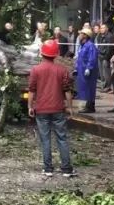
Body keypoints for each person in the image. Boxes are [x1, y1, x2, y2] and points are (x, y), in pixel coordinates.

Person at [28, 40, 76, 178]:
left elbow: (32, 91)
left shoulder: (35, 70)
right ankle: (66, 169)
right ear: (55, 55)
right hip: (58, 109)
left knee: (45, 139)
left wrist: (30, 106)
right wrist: (70, 107)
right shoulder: (62, 70)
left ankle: (48, 169)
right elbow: (67, 91)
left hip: (41, 109)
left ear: (42, 53)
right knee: (62, 138)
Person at [75, 28, 99, 113]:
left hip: (88, 71)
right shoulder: (83, 45)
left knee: (89, 88)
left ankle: (90, 106)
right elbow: (80, 58)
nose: (80, 35)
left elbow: (92, 58)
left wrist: (89, 68)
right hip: (82, 70)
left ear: (85, 35)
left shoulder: (90, 45)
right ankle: (88, 105)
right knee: (84, 88)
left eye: (81, 34)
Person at [97, 24, 114, 92]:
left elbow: (110, 48)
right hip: (100, 56)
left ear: (107, 28)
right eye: (101, 28)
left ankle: (108, 86)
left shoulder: (110, 36)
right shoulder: (99, 36)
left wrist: (106, 57)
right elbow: (99, 46)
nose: (101, 29)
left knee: (106, 73)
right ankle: (103, 85)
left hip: (106, 57)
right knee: (101, 73)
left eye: (103, 28)